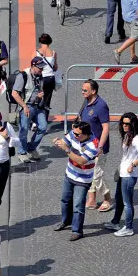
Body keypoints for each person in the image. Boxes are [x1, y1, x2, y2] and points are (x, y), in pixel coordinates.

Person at [54, 119, 100, 241]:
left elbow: (81, 161)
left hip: (83, 179)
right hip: (69, 174)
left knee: (78, 205)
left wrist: (67, 149)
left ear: (85, 134)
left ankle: (77, 230)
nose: (74, 135)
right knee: (65, 200)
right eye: (74, 133)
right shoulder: (75, 133)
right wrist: (58, 143)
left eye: (77, 135)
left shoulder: (93, 145)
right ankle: (65, 221)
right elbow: (64, 141)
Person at [77, 79, 112, 211]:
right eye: (82, 89)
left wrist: (100, 147)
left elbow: (106, 128)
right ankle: (91, 200)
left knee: (97, 174)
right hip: (87, 146)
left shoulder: (101, 106)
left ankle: (108, 198)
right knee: (88, 172)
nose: (82, 92)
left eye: (85, 90)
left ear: (94, 91)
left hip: (99, 147)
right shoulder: (86, 102)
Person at [105, 113, 138, 236]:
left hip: (129, 175)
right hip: (123, 172)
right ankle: (115, 222)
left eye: (127, 124)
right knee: (119, 199)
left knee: (127, 203)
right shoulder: (127, 136)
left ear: (133, 124)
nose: (124, 125)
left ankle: (129, 228)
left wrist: (132, 165)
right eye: (123, 123)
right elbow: (125, 156)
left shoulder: (136, 139)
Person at [11, 57, 48, 163]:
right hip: (26, 106)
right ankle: (22, 152)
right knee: (24, 130)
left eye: (42, 68)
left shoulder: (40, 76)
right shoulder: (23, 76)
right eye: (39, 68)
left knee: (43, 126)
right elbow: (14, 93)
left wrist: (40, 96)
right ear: (32, 66)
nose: (41, 70)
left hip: (38, 106)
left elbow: (38, 90)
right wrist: (24, 106)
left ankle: (31, 148)